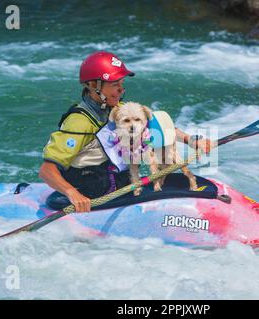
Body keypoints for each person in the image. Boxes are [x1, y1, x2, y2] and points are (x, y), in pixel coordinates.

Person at [39, 51, 212, 213]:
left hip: (120, 184)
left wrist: (193, 140)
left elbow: (161, 128)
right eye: (115, 85)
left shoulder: (120, 109)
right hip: (90, 193)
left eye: (121, 84)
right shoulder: (79, 122)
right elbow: (47, 170)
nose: (121, 90)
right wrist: (72, 194)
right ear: (93, 85)